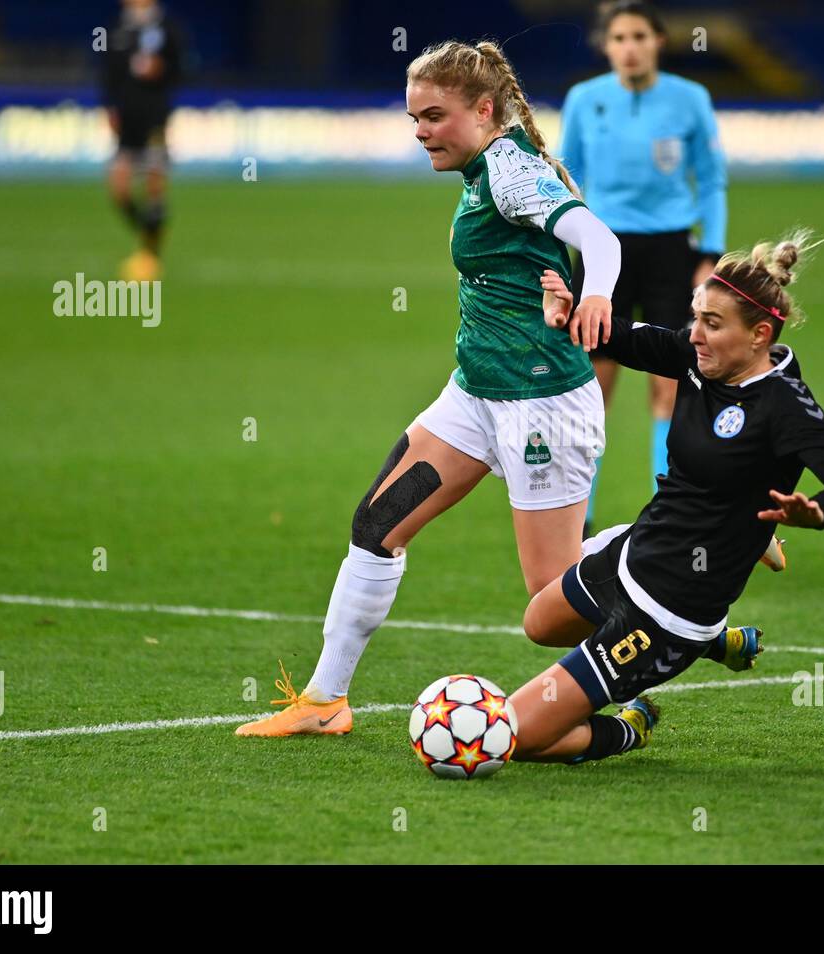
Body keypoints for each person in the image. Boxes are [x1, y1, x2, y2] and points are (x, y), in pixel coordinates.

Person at [237, 39, 623, 737]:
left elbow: (600, 239)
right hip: (475, 396)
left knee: (550, 599)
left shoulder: (508, 171)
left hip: (542, 407)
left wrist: (597, 295)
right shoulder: (483, 168)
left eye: (434, 116)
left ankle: (699, 547)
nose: (420, 132)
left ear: (483, 109)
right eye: (414, 118)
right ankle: (325, 702)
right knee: (378, 525)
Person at [505, 233, 824, 765]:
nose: (695, 334)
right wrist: (567, 315)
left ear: (760, 335)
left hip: (668, 610)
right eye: (695, 316)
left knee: (508, 736)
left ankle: (629, 728)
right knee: (539, 623)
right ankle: (722, 628)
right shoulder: (699, 358)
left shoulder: (784, 407)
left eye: (712, 323)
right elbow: (622, 337)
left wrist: (819, 511)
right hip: (637, 552)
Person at [559, 0, 728, 533]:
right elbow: (566, 179)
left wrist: (709, 255)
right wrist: (563, 253)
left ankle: (667, 514)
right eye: (619, 39)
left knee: (672, 382)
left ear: (658, 40)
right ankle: (578, 517)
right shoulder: (585, 100)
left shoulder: (690, 99)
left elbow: (712, 178)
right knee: (591, 384)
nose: (629, 48)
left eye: (638, 37)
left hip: (670, 254)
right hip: (602, 251)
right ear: (606, 46)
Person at [101, 0, 182, 281]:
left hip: (155, 119)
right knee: (119, 188)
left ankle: (150, 255)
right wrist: (109, 107)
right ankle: (148, 232)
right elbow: (109, 74)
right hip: (127, 121)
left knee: (154, 183)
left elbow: (184, 69)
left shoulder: (168, 29)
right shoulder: (117, 30)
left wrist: (162, 69)